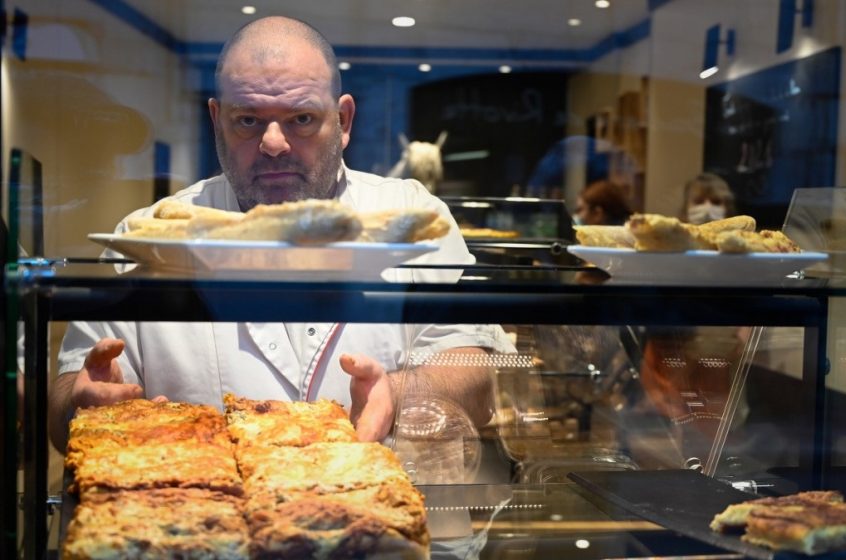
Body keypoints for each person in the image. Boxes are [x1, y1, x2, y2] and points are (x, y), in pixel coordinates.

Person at [48, 16, 512, 452]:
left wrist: (396, 392)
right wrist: (79, 405)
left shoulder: (413, 216)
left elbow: (475, 369)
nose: (273, 143)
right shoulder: (147, 236)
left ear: (344, 121)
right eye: (247, 120)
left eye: (301, 119)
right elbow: (64, 402)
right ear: (216, 120)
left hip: (377, 510)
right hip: (204, 518)